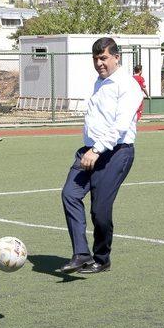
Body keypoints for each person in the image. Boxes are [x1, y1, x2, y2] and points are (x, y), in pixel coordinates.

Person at [60, 37, 143, 274]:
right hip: (90, 151)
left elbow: (120, 126)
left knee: (100, 210)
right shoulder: (100, 81)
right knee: (70, 194)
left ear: (117, 57)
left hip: (116, 153)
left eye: (104, 58)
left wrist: (96, 150)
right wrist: (91, 149)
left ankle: (102, 258)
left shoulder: (128, 85)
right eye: (95, 58)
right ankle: (81, 254)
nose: (99, 63)